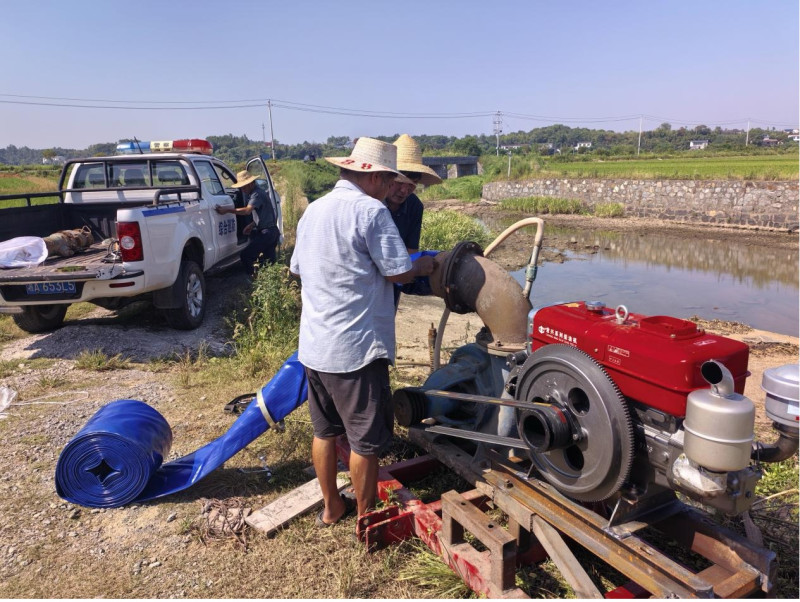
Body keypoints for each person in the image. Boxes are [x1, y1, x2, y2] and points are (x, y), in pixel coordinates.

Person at [290, 137, 435, 526]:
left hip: (316, 346)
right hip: (356, 349)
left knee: (324, 432)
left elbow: (298, 270)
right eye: (389, 180)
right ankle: (366, 516)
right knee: (364, 443)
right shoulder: (371, 213)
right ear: (372, 177)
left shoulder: (314, 211)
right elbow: (399, 272)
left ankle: (331, 507)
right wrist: (423, 267)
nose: (393, 188)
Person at [384, 134, 443, 306]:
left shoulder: (414, 206)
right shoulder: (372, 205)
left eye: (412, 184)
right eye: (399, 182)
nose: (404, 190)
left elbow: (410, 252)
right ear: (387, 177)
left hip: (398, 276)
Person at [215, 170, 279, 276]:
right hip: (271, 232)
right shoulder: (258, 192)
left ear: (250, 184)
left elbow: (247, 210)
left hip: (267, 233)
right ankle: (267, 282)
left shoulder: (256, 194)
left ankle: (253, 279)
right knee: (269, 262)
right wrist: (252, 225)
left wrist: (227, 210)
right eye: (241, 187)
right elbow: (263, 214)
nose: (242, 190)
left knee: (246, 255)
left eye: (244, 187)